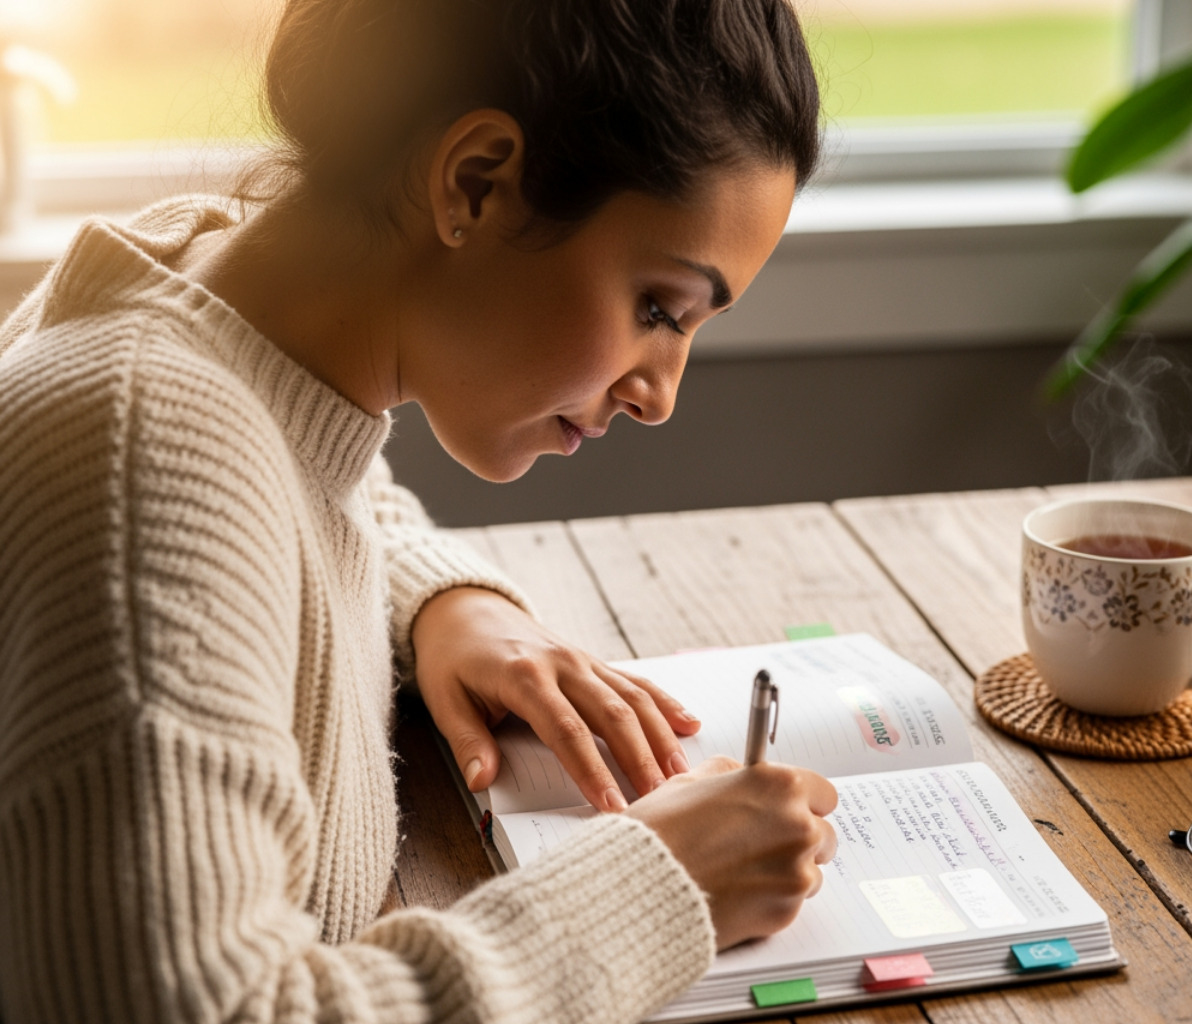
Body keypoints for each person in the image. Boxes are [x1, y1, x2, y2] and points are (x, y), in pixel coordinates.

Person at [0, 1, 840, 1021]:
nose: (659, 393)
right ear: (475, 179)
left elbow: (304, 472)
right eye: (659, 307)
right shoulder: (142, 451)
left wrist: (443, 603)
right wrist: (659, 883)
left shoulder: (212, 284)